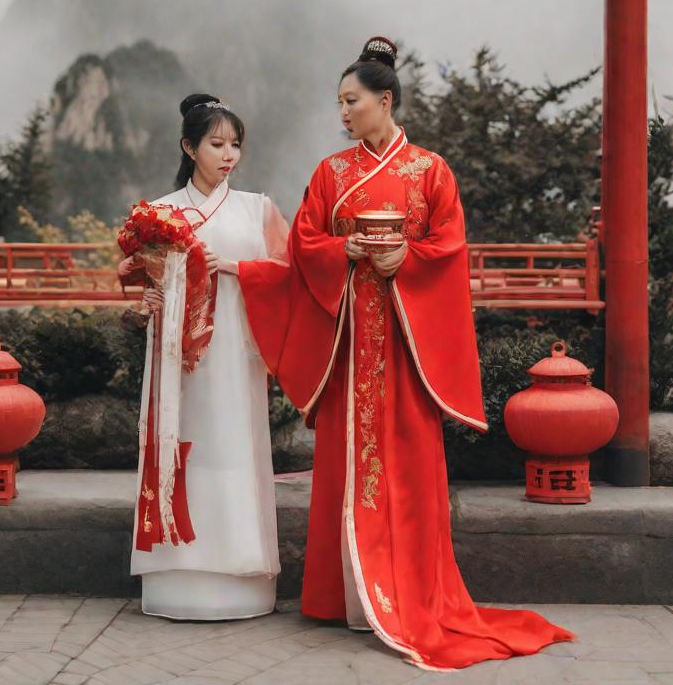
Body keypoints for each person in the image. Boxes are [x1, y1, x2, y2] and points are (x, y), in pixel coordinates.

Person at [238, 37, 573, 670]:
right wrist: (346, 252)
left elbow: (450, 247)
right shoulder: (331, 173)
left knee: (409, 471)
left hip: (404, 344)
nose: (342, 112)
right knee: (347, 467)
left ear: (384, 100)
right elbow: (307, 240)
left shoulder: (431, 171)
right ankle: (349, 598)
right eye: (338, 102)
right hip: (348, 345)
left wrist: (405, 259)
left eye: (352, 101)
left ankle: (410, 595)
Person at [119, 93, 288, 621]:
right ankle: (176, 575)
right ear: (189, 147)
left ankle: (243, 574)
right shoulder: (161, 212)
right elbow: (139, 279)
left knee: (235, 446)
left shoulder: (257, 207)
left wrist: (234, 264)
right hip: (177, 358)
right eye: (217, 144)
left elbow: (287, 274)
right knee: (181, 443)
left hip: (235, 354)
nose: (229, 154)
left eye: (235, 144)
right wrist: (149, 297)